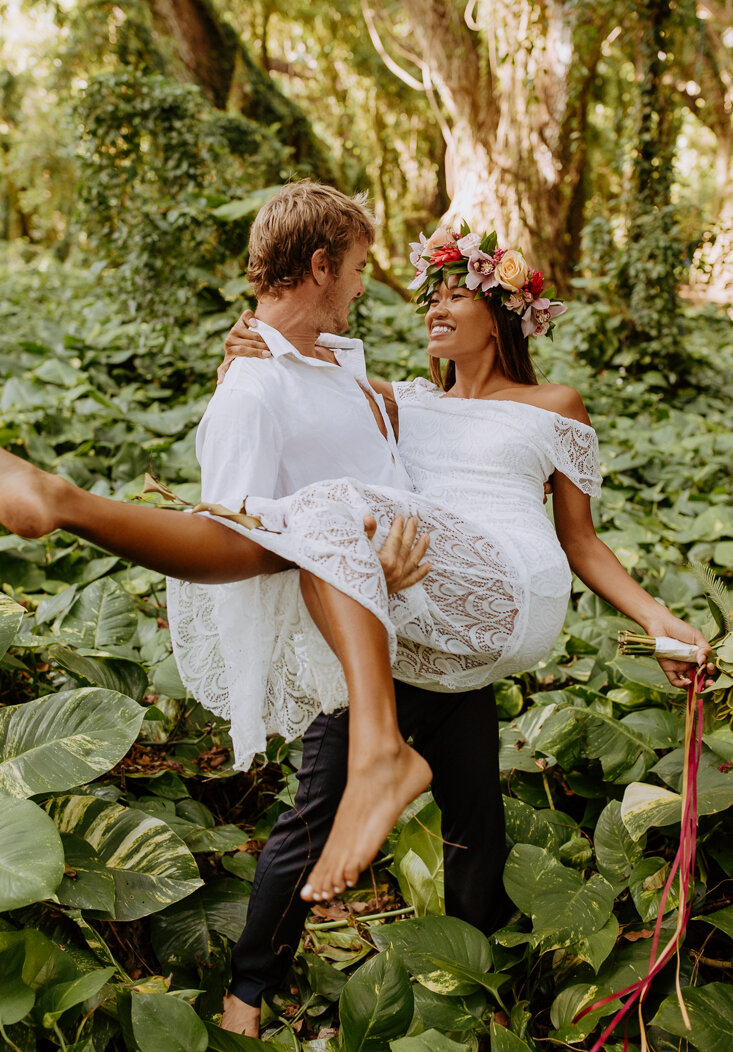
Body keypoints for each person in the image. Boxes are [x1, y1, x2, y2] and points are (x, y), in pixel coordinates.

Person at [0, 190, 713, 1038]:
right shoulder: (397, 397)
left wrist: (662, 618)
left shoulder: (554, 406)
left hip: (499, 591)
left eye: (456, 294)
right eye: (427, 296)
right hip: (408, 629)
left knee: (316, 513)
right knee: (400, 820)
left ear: (504, 315)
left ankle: (77, 506)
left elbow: (585, 544)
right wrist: (249, 348)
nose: (432, 309)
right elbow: (305, 371)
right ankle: (244, 1009)